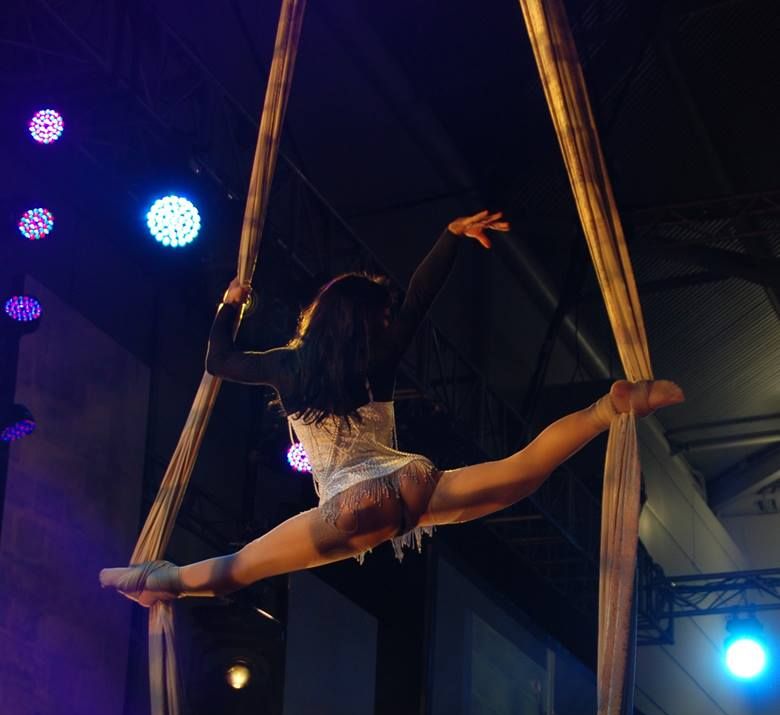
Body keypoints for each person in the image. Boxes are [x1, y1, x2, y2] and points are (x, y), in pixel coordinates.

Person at [100, 211, 683, 606]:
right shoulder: (377, 356)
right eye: (379, 316)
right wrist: (451, 235)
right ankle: (607, 409)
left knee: (241, 568)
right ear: (363, 320)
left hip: (349, 505)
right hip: (411, 482)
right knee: (522, 473)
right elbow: (420, 297)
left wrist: (231, 304)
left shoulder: (285, 366)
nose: (385, 323)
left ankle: (155, 580)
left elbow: (218, 361)